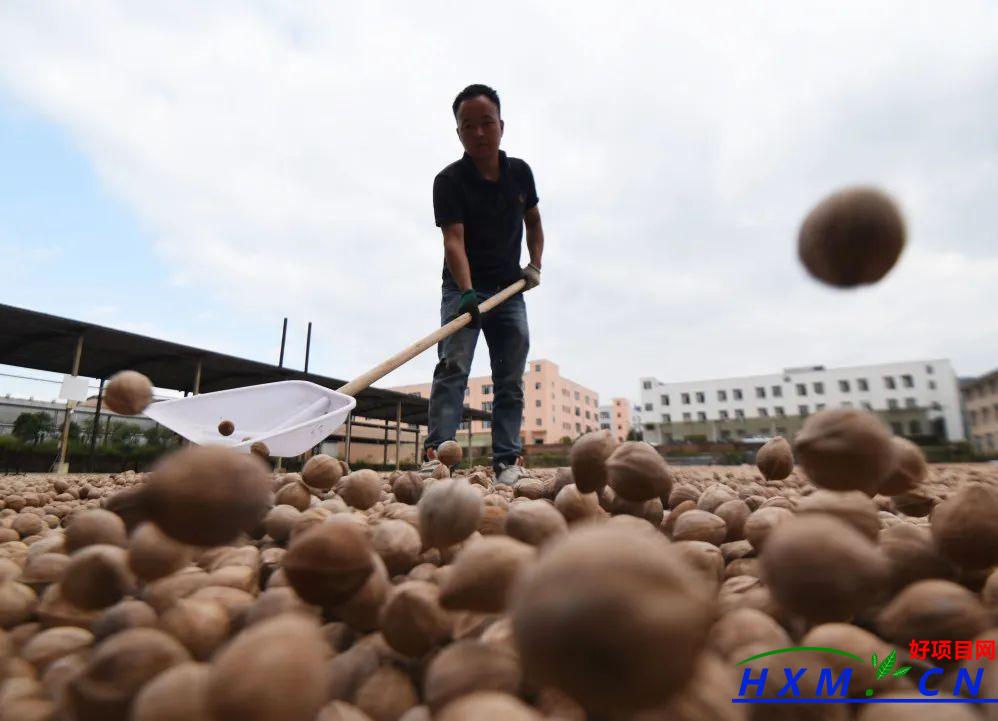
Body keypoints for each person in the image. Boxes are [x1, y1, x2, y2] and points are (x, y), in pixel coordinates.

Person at [421, 83, 545, 485]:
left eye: (486, 123)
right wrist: (467, 291)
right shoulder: (449, 181)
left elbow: (534, 222)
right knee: (453, 367)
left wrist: (535, 266)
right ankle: (438, 457)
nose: (478, 132)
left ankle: (507, 462)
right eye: (468, 125)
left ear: (501, 126)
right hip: (463, 289)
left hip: (509, 290)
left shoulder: (520, 173)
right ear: (458, 133)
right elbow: (453, 241)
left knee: (509, 377)